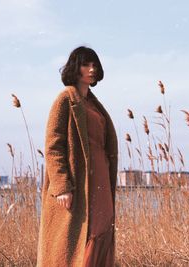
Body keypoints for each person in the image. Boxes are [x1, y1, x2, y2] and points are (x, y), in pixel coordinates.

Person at [37, 46, 118, 267]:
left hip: (100, 177)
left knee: (102, 227)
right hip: (78, 180)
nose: (91, 69)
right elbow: (53, 146)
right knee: (77, 237)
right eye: (86, 64)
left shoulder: (93, 103)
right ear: (75, 68)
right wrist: (62, 186)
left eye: (94, 65)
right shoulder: (65, 99)